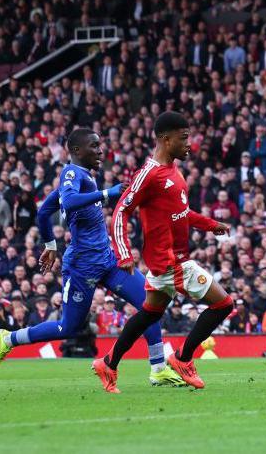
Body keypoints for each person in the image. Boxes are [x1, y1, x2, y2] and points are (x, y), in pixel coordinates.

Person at [0, 128, 184, 387]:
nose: (100, 150)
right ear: (77, 151)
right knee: (67, 328)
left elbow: (44, 212)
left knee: (150, 304)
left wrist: (50, 245)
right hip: (82, 266)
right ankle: (8, 339)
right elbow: (67, 203)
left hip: (107, 260)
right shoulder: (71, 173)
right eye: (94, 146)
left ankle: (158, 369)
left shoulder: (83, 178)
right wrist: (107, 193)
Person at [91, 111, 232, 393]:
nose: (189, 144)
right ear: (166, 140)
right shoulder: (149, 174)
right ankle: (182, 359)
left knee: (149, 314)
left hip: (168, 261)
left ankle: (109, 362)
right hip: (171, 262)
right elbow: (121, 210)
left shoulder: (174, 171)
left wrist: (210, 224)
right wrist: (124, 252)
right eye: (184, 138)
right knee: (223, 304)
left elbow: (181, 211)